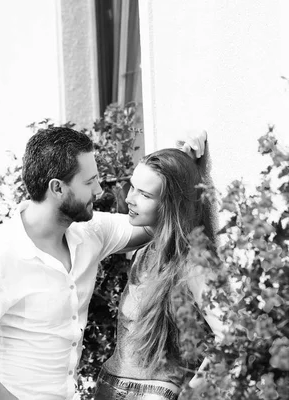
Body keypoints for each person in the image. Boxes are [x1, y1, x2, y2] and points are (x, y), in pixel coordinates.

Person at [0, 126, 206, 400]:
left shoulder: (89, 232)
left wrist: (177, 169)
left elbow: (160, 223)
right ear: (57, 188)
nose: (99, 191)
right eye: (89, 182)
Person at [93, 147, 225, 400]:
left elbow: (231, 334)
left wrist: (194, 391)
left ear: (170, 203)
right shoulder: (144, 253)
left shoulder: (194, 261)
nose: (130, 198)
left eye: (144, 194)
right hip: (110, 387)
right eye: (132, 187)